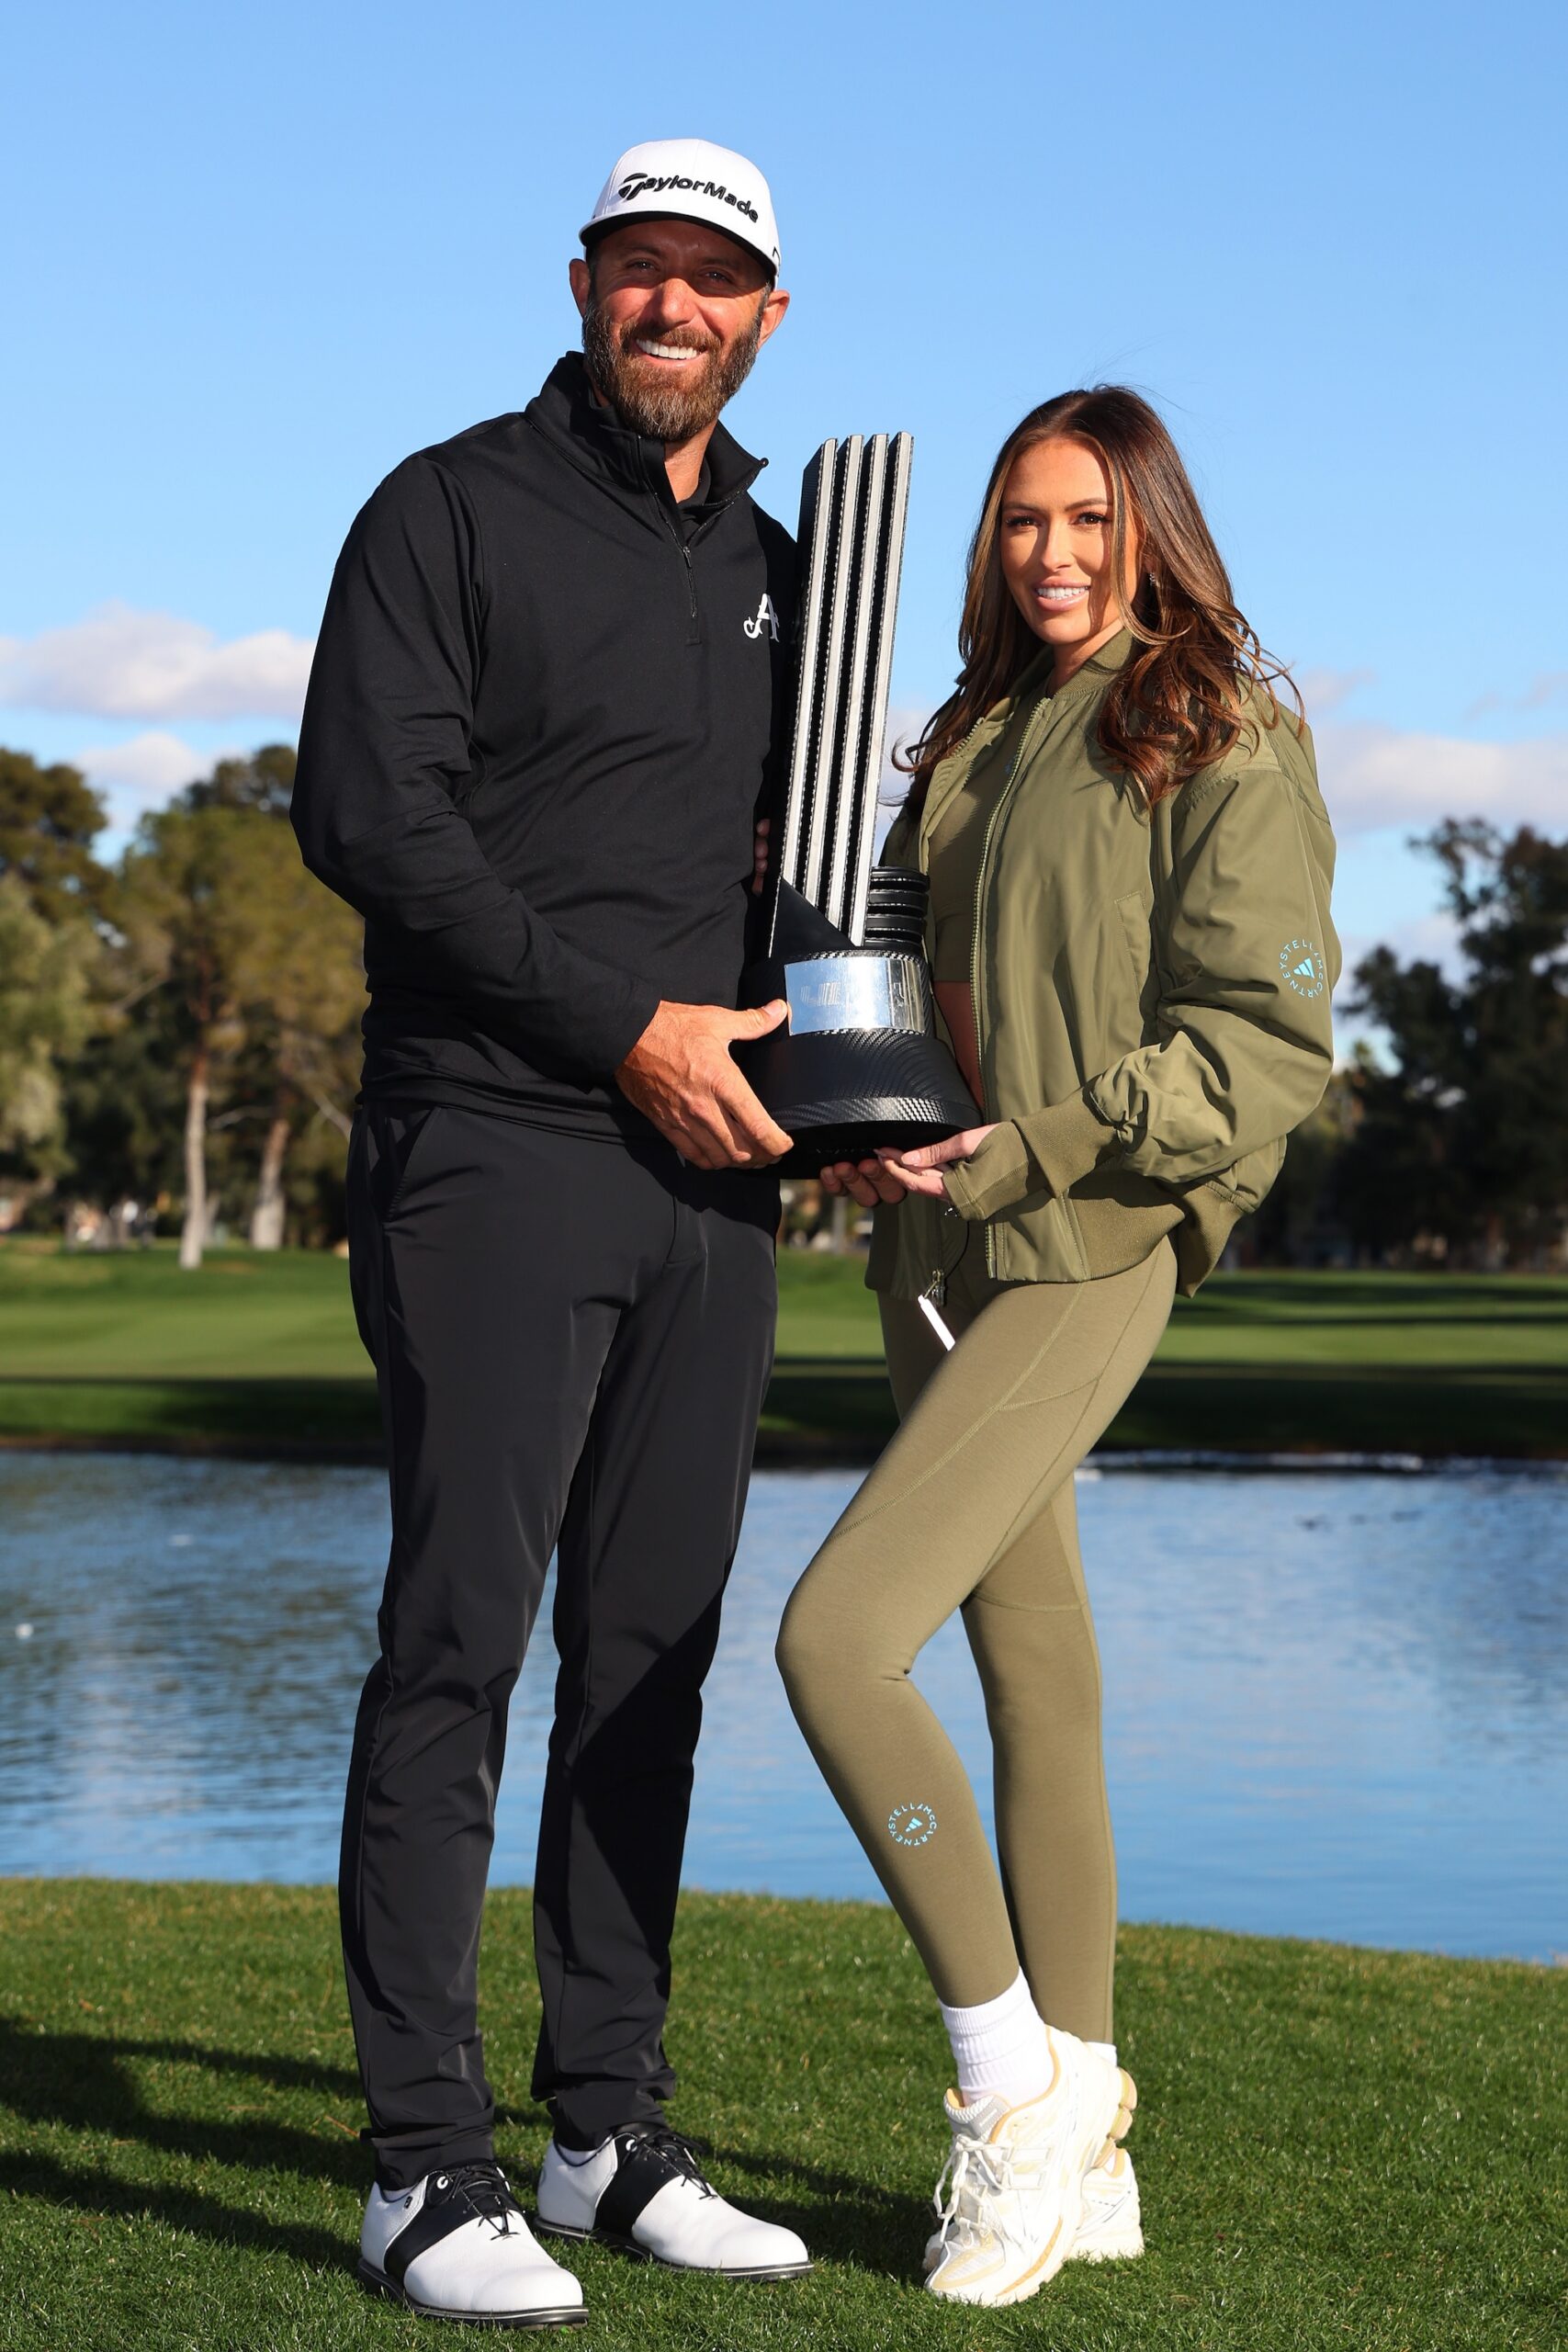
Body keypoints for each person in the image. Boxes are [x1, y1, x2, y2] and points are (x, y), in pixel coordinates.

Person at [292, 138, 815, 2329]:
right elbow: (366, 813)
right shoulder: (447, 508)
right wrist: (621, 1026)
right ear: (585, 280)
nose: (671, 308)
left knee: (653, 1661)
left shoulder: (793, 568)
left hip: (719, 1176)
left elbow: (807, 896)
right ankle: (423, 2168)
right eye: (641, 269)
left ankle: (602, 2126)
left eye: (715, 280)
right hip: (493, 1146)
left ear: (766, 314)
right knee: (458, 1649)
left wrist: (856, 1104)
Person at [776, 387, 1339, 2308]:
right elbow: (913, 967)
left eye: (1087, 517)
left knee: (834, 1642)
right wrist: (865, 1117)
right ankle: (1089, 2102)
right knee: (1035, 1664)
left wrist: (1036, 1140)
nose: (1050, 551)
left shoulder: (1218, 729)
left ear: (1148, 524)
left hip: (1088, 1235)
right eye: (1020, 519)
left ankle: (1004, 2088)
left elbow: (1257, 1046)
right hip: (935, 1235)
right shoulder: (975, 729)